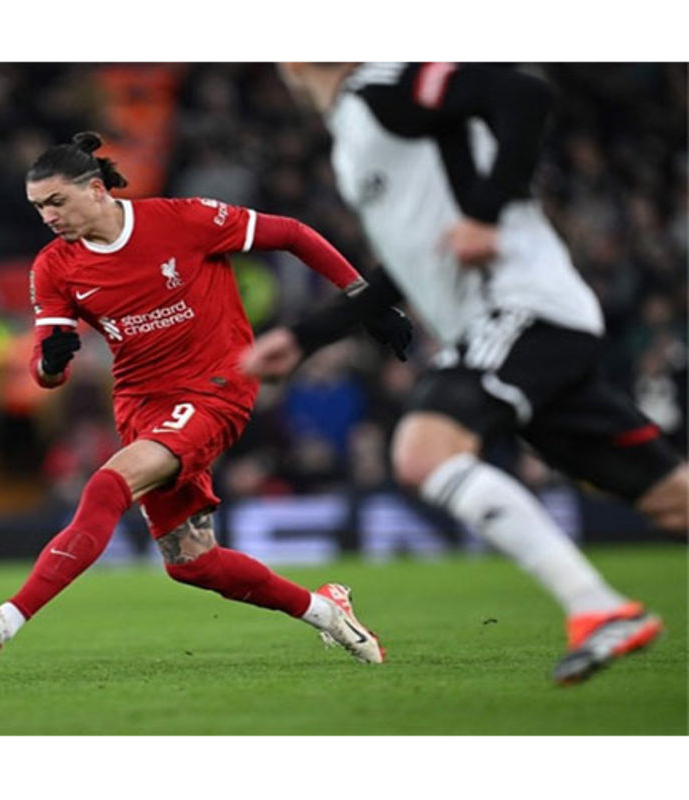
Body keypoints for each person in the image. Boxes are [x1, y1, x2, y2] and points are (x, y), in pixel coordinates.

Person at [243, 63, 689, 685]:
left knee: (423, 452)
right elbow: (408, 263)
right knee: (674, 502)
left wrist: (485, 213)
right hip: (519, 329)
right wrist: (305, 336)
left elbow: (524, 92)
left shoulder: (386, 85)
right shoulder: (352, 131)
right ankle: (600, 608)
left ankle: (598, 609)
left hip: (521, 309)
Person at [0, 131, 412, 665]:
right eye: (38, 207)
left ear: (98, 190)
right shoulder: (54, 267)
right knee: (192, 562)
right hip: (141, 404)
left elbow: (292, 233)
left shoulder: (182, 219)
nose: (48, 216)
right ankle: (325, 610)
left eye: (56, 201)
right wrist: (50, 362)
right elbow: (45, 376)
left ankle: (5, 620)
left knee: (107, 485)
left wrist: (366, 302)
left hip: (215, 386)